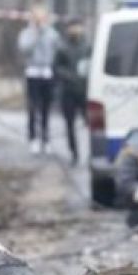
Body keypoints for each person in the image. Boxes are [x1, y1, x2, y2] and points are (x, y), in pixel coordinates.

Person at [17, 5, 62, 155]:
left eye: (42, 17)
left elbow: (57, 50)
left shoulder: (52, 34)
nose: (39, 20)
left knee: (46, 108)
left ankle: (46, 138)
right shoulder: (27, 33)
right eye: (36, 17)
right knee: (33, 107)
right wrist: (36, 36)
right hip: (33, 72)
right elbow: (24, 49)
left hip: (47, 73)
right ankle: (33, 138)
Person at [53, 20, 89, 166]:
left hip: (85, 91)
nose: (75, 30)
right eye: (72, 27)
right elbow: (56, 68)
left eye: (77, 27)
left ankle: (90, 153)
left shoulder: (87, 46)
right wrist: (69, 77)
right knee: (69, 124)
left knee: (90, 124)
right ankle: (74, 153)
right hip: (68, 91)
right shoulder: (62, 47)